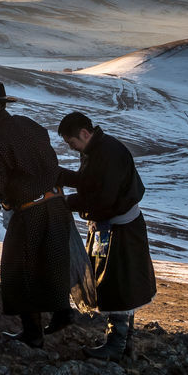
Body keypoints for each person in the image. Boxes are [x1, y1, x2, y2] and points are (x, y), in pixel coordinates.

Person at [0, 82, 71, 348]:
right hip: (57, 205)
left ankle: (33, 334)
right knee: (53, 261)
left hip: (30, 211)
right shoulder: (29, 125)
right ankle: (62, 314)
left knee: (19, 270)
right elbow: (50, 164)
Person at [56, 111, 157, 360]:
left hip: (120, 228)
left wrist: (65, 203)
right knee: (114, 280)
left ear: (84, 133)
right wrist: (59, 175)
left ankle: (117, 346)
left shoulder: (108, 153)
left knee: (117, 282)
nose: (73, 148)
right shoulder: (96, 150)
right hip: (114, 226)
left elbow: (102, 197)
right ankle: (123, 345)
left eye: (72, 143)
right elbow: (89, 182)